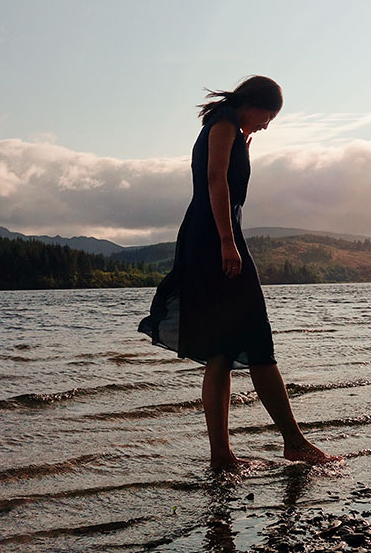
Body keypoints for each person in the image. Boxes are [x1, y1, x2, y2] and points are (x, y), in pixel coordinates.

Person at [139, 75, 339, 470]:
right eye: (269, 116)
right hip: (214, 239)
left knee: (224, 348)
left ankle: (225, 456)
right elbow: (215, 181)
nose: (268, 124)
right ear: (255, 104)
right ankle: (289, 444)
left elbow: (221, 176)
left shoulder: (228, 127)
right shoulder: (225, 125)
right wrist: (228, 244)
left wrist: (239, 154)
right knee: (253, 341)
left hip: (209, 235)